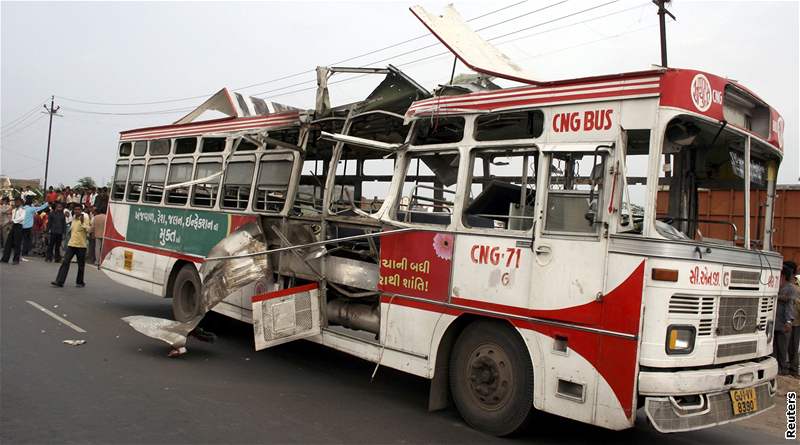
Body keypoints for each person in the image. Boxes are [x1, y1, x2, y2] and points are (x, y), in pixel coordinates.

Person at [51, 204, 91, 288]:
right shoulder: (73, 218)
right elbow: (72, 229)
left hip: (81, 245)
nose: (77, 211)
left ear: (81, 210)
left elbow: (88, 229)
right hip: (72, 244)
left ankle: (79, 282)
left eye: (78, 209)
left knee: (80, 265)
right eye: (75, 209)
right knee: (65, 262)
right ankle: (59, 281)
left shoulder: (85, 218)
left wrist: (82, 222)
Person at [774, 263, 797, 375]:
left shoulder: (790, 288)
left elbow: (789, 306)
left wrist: (788, 321)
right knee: (773, 349)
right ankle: (775, 369)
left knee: (782, 349)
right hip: (773, 324)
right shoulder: (776, 286)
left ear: (783, 275)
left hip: (783, 324)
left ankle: (783, 370)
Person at [785, 260, 800, 378]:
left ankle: (792, 370)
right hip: (791, 321)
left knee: (792, 347)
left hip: (794, 321)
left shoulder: (794, 286)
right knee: (791, 347)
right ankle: (791, 369)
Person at [1, 198, 25, 264]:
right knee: (8, 242)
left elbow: (22, 218)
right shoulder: (14, 210)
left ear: (21, 203)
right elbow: (11, 218)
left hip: (19, 226)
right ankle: (5, 258)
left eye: (17, 202)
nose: (16, 203)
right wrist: (9, 223)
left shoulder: (22, 210)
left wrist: (13, 220)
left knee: (17, 244)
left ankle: (16, 260)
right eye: (15, 202)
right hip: (13, 226)